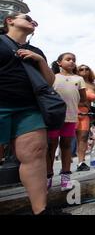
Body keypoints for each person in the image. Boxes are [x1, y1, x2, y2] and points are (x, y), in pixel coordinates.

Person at [0, 13, 56, 214]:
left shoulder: (35, 50)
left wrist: (40, 60)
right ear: (10, 20)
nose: (32, 21)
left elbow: (49, 82)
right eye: (27, 17)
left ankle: (40, 210)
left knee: (35, 154)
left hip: (28, 108)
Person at [47, 53, 87, 191]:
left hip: (70, 117)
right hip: (53, 117)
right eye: (68, 59)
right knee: (51, 146)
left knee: (66, 145)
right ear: (59, 62)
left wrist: (76, 106)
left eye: (74, 60)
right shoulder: (52, 77)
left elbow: (83, 98)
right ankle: (48, 177)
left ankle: (65, 179)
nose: (72, 62)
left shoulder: (79, 79)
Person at [75, 64, 95, 171]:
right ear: (77, 71)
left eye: (86, 69)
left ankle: (81, 162)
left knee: (83, 137)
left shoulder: (93, 85)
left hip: (85, 113)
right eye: (81, 69)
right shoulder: (74, 81)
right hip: (72, 112)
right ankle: (64, 166)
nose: (84, 71)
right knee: (66, 140)